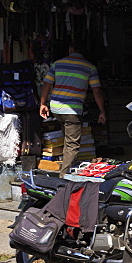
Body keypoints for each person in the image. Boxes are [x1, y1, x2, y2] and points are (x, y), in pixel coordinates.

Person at [39, 46, 106, 177]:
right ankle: (63, 177)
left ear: (70, 49)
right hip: (72, 111)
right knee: (72, 145)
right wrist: (102, 111)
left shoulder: (57, 64)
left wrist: (42, 104)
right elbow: (97, 91)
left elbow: (46, 84)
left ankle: (71, 168)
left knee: (67, 140)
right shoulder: (89, 67)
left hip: (56, 109)